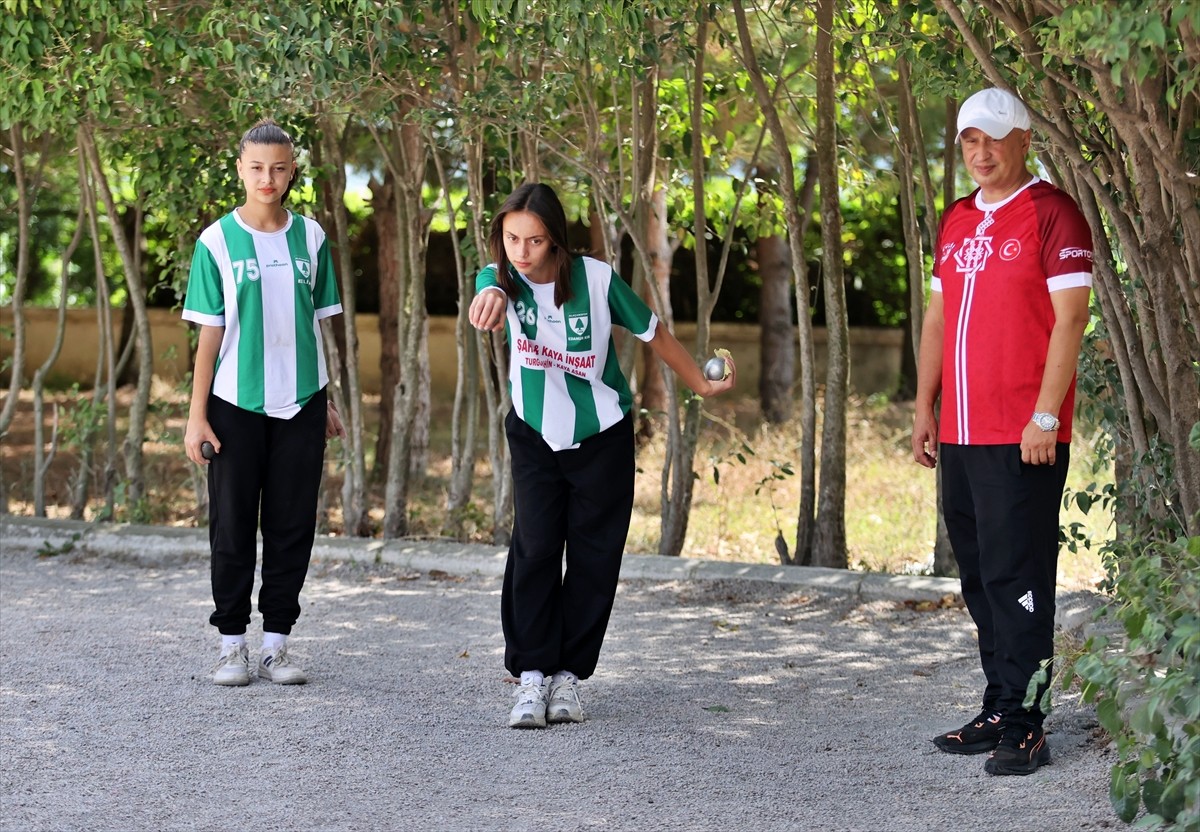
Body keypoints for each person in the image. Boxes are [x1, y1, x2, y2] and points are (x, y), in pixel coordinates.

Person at [468, 182, 736, 728]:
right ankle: (532, 676)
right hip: (535, 433)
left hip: (603, 434)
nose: (522, 251)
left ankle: (568, 676)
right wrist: (490, 293)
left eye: (535, 240)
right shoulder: (501, 278)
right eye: (511, 238)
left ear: (556, 242)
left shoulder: (595, 280)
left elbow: (654, 333)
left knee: (594, 556)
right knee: (536, 547)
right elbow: (488, 288)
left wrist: (700, 386)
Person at [911, 88, 1093, 775]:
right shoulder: (957, 219)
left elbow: (1071, 321)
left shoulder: (1054, 214)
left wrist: (1047, 414)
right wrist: (924, 406)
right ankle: (999, 704)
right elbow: (936, 320)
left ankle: (1028, 723)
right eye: (968, 141)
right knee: (983, 578)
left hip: (1024, 434)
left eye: (994, 139)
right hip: (959, 430)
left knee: (1019, 578)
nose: (981, 153)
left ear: (1023, 140)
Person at [182, 119, 346, 687]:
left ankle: (276, 644)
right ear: (240, 171)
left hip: (302, 402)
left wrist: (325, 399)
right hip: (234, 403)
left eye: (279, 167)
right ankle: (232, 644)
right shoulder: (216, 242)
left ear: (292, 170)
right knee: (231, 527)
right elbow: (209, 334)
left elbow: (317, 326)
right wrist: (196, 414)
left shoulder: (313, 238)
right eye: (256, 167)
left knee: (291, 523)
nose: (267, 178)